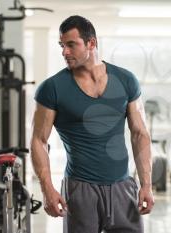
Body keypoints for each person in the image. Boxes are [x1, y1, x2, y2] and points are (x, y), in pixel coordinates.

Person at [30, 15, 154, 233]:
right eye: (61, 45)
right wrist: (47, 189)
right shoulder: (52, 88)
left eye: (71, 45)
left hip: (123, 186)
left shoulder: (126, 80)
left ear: (91, 43)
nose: (64, 52)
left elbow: (139, 134)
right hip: (80, 189)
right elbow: (39, 140)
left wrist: (146, 184)